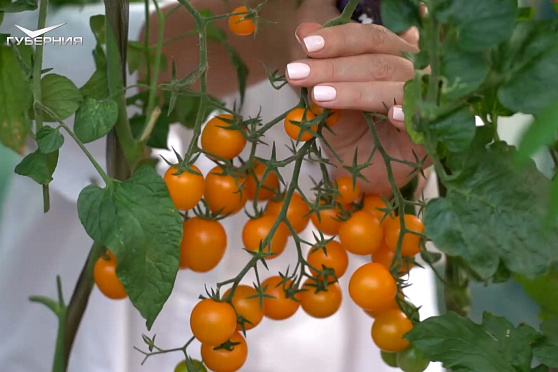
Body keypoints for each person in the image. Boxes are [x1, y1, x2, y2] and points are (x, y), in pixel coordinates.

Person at [0, 1, 442, 371]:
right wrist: (261, 37)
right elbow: (17, 47)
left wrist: (404, 155)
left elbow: (430, 148)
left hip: (320, 322)